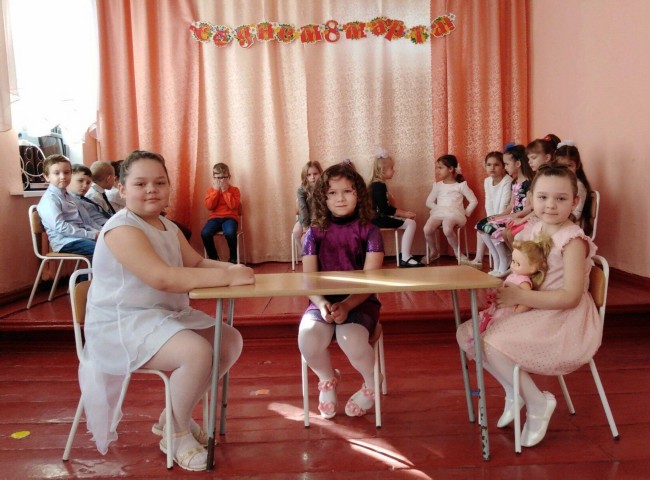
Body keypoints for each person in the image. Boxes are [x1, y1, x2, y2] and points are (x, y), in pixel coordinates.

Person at [78, 150, 254, 471]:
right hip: (123, 322)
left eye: (160, 182)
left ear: (169, 186)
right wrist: (228, 277)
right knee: (196, 353)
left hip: (159, 315)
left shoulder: (166, 225)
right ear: (121, 188)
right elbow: (163, 277)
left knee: (228, 341)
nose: (151, 190)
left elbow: (196, 263)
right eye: (140, 183)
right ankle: (177, 432)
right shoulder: (122, 229)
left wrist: (233, 268)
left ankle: (171, 417)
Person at [457, 164, 602, 448]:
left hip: (562, 316)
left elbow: (570, 296)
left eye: (561, 198)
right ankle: (515, 390)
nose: (551, 205)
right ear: (531, 198)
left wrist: (520, 298)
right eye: (543, 197)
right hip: (533, 305)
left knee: (494, 344)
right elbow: (524, 270)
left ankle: (537, 402)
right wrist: (507, 289)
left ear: (575, 201)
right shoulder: (533, 228)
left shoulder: (573, 240)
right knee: (469, 335)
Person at [298, 162, 385, 419]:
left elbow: (371, 281)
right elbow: (309, 280)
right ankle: (327, 378)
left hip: (360, 301)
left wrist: (347, 305)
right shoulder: (313, 234)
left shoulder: (370, 231)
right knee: (307, 339)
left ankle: (372, 381)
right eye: (332, 193)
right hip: (322, 302)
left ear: (358, 194)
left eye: (347, 191)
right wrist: (321, 303)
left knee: (350, 338)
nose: (340, 198)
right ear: (323, 198)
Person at [475, 144, 534, 277]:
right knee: (482, 224)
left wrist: (512, 216)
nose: (505, 167)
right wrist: (499, 216)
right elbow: (511, 205)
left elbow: (528, 207)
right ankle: (499, 261)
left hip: (520, 217)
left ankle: (506, 261)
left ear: (518, 164)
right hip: (512, 215)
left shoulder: (529, 183)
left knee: (492, 228)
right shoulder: (514, 182)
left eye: (506, 164)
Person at [479, 235, 552, 333]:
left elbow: (527, 300)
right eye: (513, 261)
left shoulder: (524, 282)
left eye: (518, 264)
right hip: (501, 306)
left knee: (496, 328)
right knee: (487, 325)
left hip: (509, 311)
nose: (513, 266)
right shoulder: (513, 276)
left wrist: (517, 312)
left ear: (532, 268)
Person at [368, 149, 423, 267]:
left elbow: (386, 208)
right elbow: (385, 209)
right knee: (411, 224)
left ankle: (405, 255)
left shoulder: (376, 185)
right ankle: (405, 257)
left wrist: (404, 213)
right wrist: (405, 214)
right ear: (382, 170)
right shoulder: (379, 186)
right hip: (377, 220)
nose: (394, 170)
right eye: (391, 168)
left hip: (377, 218)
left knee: (409, 222)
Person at [36, 154, 98, 256]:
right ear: (47, 177)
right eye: (57, 173)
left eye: (66, 172)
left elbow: (84, 222)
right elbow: (61, 227)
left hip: (81, 237)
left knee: (113, 243)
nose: (63, 177)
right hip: (65, 241)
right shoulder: (50, 199)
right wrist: (91, 235)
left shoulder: (69, 196)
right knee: (103, 249)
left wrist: (99, 232)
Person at [423, 154, 478, 263]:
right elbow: (429, 202)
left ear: (450, 169)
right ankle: (434, 251)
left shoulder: (461, 185)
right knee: (427, 229)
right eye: (437, 168)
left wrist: (466, 213)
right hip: (439, 213)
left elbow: (474, 201)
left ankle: (458, 253)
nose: (438, 170)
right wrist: (439, 209)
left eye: (440, 168)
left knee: (447, 228)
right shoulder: (438, 185)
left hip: (455, 214)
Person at [466, 152, 512, 268]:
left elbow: (504, 203)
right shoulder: (487, 181)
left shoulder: (507, 180)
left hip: (505, 215)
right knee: (481, 228)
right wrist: (490, 218)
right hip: (494, 216)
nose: (492, 168)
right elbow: (489, 202)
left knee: (488, 228)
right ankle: (489, 258)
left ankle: (503, 258)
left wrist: (496, 219)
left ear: (503, 166)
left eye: (496, 165)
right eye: (489, 165)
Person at [200, 162, 241, 263]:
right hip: (215, 218)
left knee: (230, 233)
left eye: (224, 177)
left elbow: (233, 206)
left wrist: (225, 191)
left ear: (229, 177)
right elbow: (210, 206)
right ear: (214, 178)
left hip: (230, 218)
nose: (221, 180)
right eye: (218, 178)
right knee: (205, 233)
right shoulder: (210, 190)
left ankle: (233, 258)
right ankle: (214, 259)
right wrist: (216, 191)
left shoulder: (235, 190)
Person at [554, 142, 593, 236]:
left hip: (570, 227)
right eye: (561, 166)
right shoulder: (557, 183)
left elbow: (575, 215)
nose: (566, 170)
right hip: (556, 221)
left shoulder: (579, 186)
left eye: (569, 165)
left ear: (577, 165)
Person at [292, 161, 323, 256]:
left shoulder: (324, 188)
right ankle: (304, 255)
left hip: (319, 218)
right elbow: (303, 208)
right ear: (305, 176)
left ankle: (313, 257)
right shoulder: (301, 190)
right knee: (296, 232)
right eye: (309, 175)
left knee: (306, 238)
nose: (312, 177)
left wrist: (312, 225)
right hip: (304, 218)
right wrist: (305, 226)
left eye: (315, 174)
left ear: (320, 173)